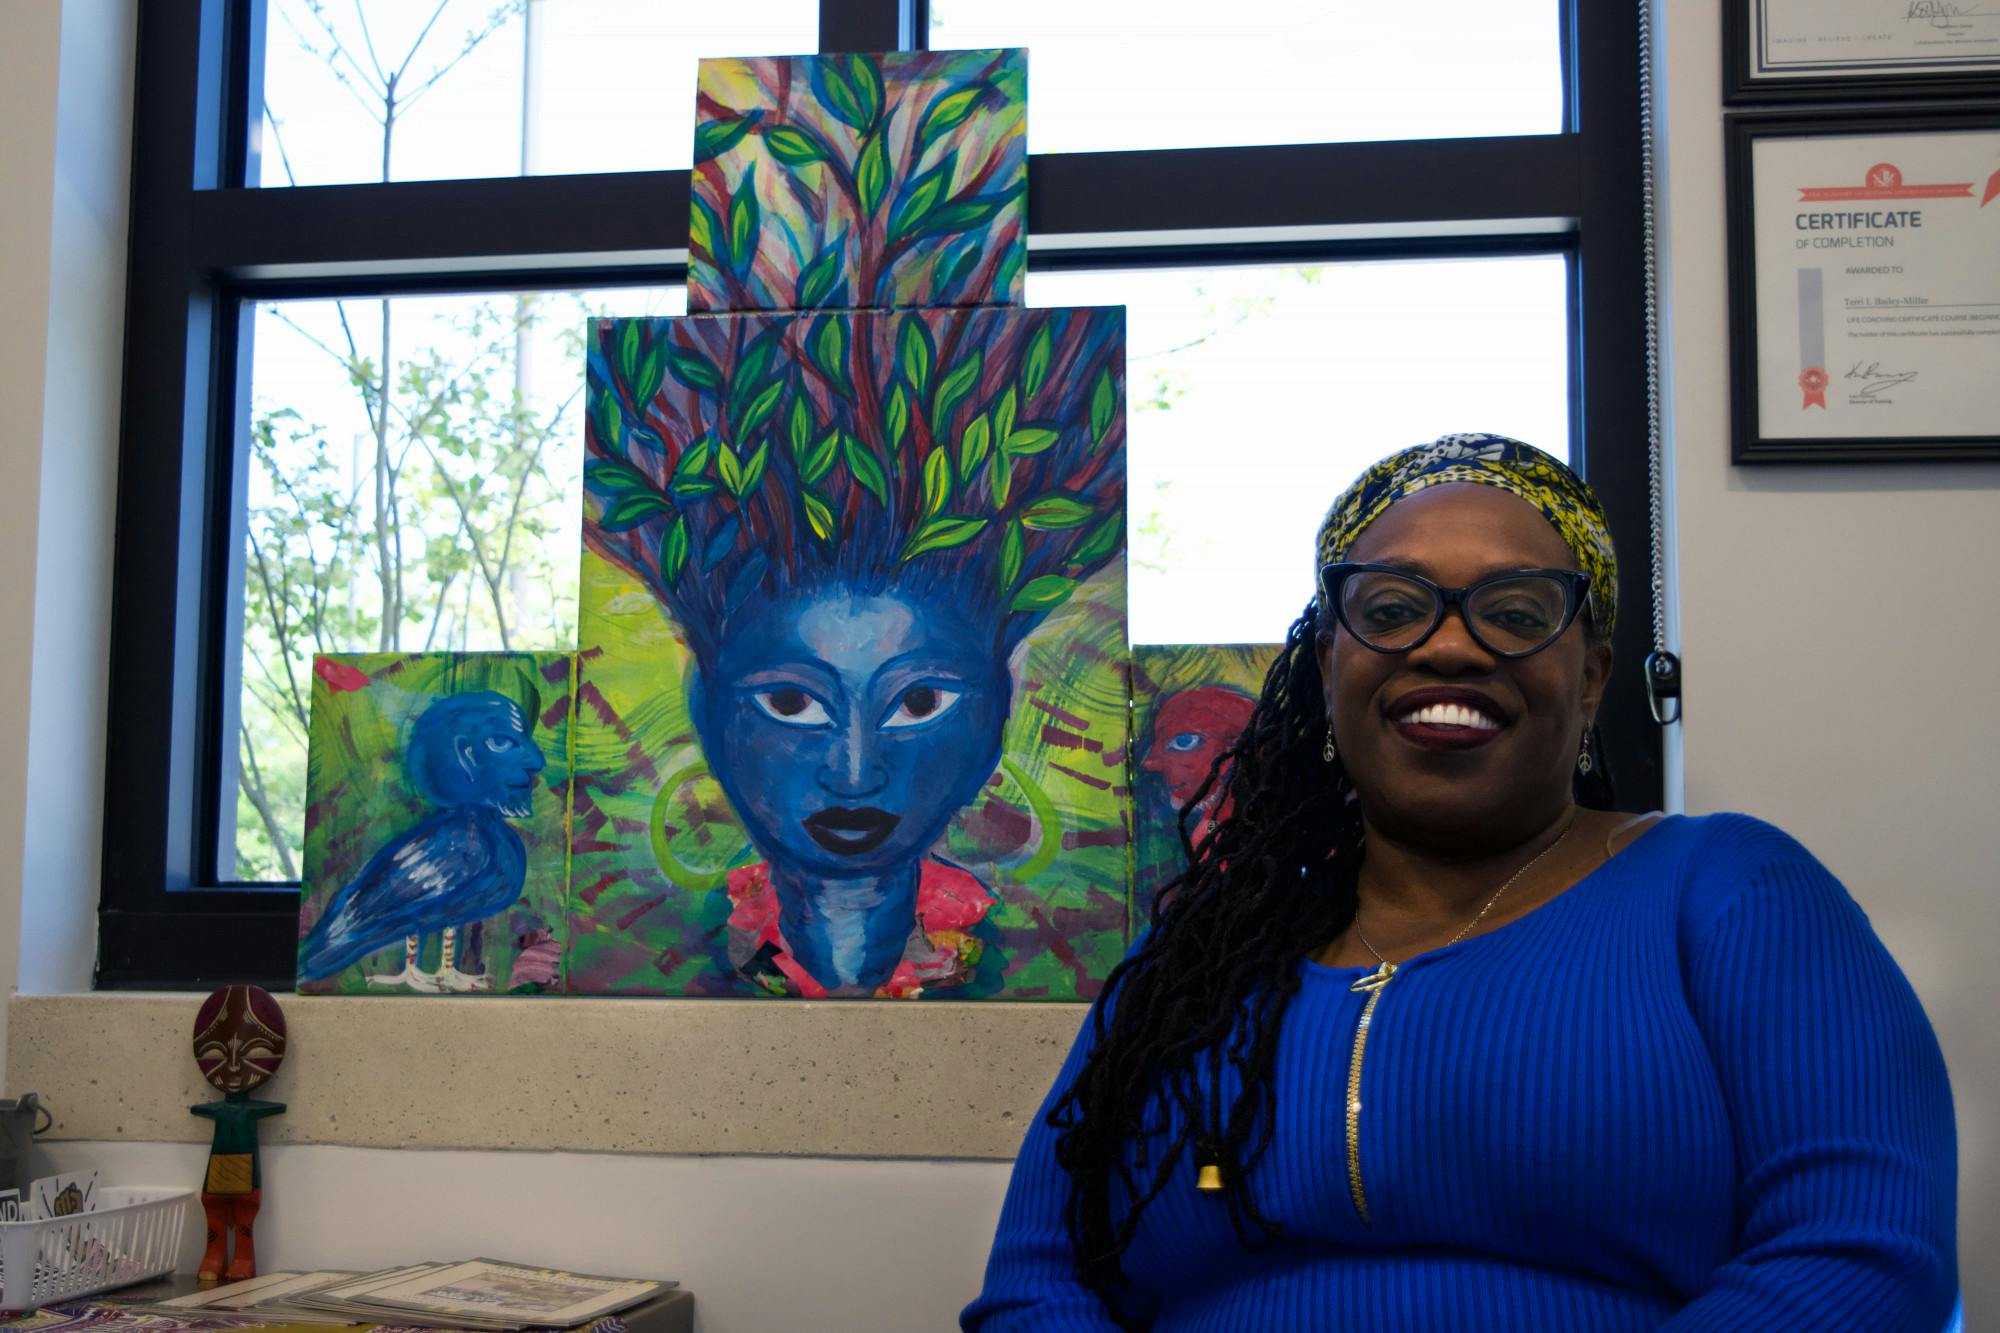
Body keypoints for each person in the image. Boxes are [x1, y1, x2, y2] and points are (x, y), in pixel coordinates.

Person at [965, 433, 1957, 1330]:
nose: (1447, 644)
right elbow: (1035, 1287)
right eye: (1390, 609)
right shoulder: (1193, 962)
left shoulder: (1730, 896)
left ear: (1591, 675)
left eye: (1515, 612)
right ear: (1326, 662)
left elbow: (1861, 1259)